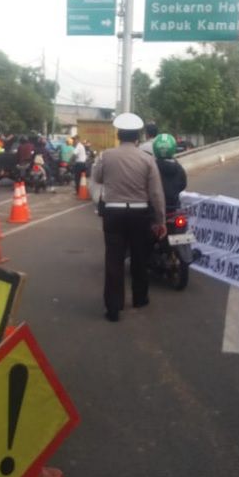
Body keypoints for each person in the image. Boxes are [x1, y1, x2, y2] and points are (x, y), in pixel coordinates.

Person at [92, 113, 167, 322]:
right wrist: (160, 221)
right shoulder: (147, 159)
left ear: (118, 135)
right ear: (137, 137)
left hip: (113, 213)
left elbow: (97, 178)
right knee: (139, 256)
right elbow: (156, 193)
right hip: (139, 213)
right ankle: (140, 298)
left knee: (114, 259)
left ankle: (113, 308)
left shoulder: (106, 156)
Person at [152, 133, 188, 211]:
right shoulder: (178, 167)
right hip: (174, 206)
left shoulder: (151, 167)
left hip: (155, 208)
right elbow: (183, 185)